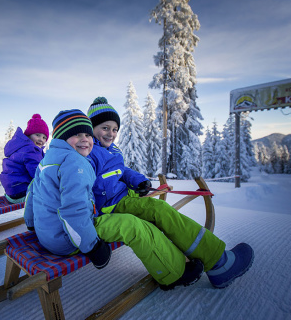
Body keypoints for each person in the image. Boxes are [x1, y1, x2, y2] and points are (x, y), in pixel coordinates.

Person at [85, 96, 255, 289]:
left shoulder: (112, 150)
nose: (111, 133)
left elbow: (122, 171)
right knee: (159, 211)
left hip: (124, 198)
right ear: (91, 128)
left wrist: (139, 181)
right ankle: (218, 262)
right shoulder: (88, 153)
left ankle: (215, 260)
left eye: (114, 129)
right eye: (104, 128)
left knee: (161, 210)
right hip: (111, 206)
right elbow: (86, 186)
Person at [0, 114, 49, 204]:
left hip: (12, 191)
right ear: (29, 135)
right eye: (37, 135)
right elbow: (37, 172)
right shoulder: (31, 150)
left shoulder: (22, 147)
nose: (41, 139)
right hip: (22, 191)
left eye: (44, 137)